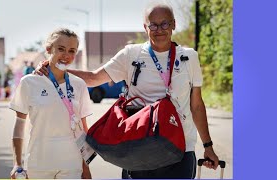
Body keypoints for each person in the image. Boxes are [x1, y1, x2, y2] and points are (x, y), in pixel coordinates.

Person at [35, 2, 219, 179]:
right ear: (145, 28)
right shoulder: (131, 54)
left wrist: (208, 145)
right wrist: (55, 70)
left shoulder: (189, 57)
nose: (159, 29)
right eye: (153, 25)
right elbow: (93, 78)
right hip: (138, 147)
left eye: (164, 23)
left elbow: (196, 105)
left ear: (173, 25)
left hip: (180, 147)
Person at [9, 28, 93, 179]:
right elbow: (19, 126)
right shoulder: (29, 82)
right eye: (61, 49)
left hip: (71, 166)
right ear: (49, 49)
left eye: (72, 51)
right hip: (38, 165)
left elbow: (83, 130)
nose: (66, 55)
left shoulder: (79, 85)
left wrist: (85, 167)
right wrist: (17, 163)